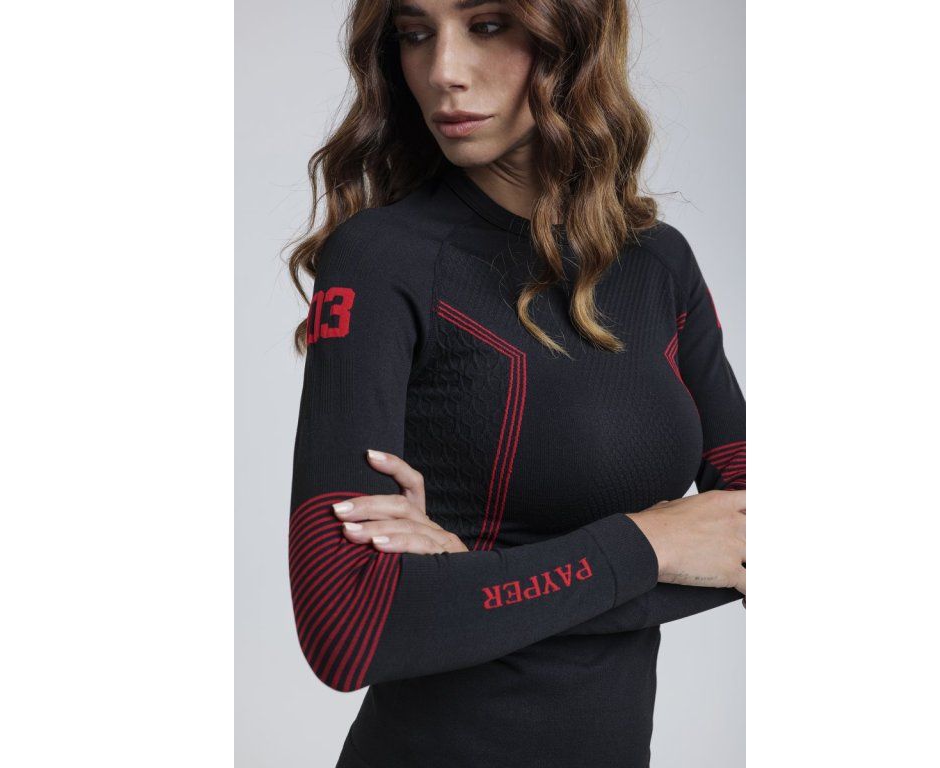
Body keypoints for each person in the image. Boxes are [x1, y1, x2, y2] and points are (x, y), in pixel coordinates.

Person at [285, 1, 746, 765]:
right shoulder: (380, 258)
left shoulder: (659, 263)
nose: (444, 72)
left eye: (490, 24)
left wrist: (472, 585)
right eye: (414, 34)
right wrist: (651, 543)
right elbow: (347, 627)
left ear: (575, 38)